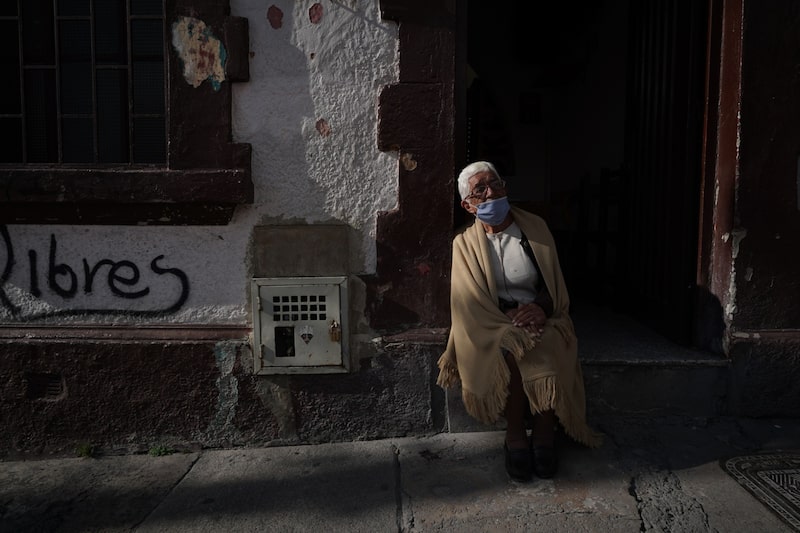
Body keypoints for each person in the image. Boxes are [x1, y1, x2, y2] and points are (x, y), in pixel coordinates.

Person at [437, 161, 601, 482]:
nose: (491, 193)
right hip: (490, 322)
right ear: (467, 206)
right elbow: (468, 301)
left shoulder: (535, 228)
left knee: (547, 340)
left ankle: (543, 434)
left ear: (505, 187)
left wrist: (541, 307)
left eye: (495, 184)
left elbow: (554, 286)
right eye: (480, 190)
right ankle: (515, 436)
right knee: (510, 350)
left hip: (538, 315)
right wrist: (505, 317)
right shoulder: (463, 245)